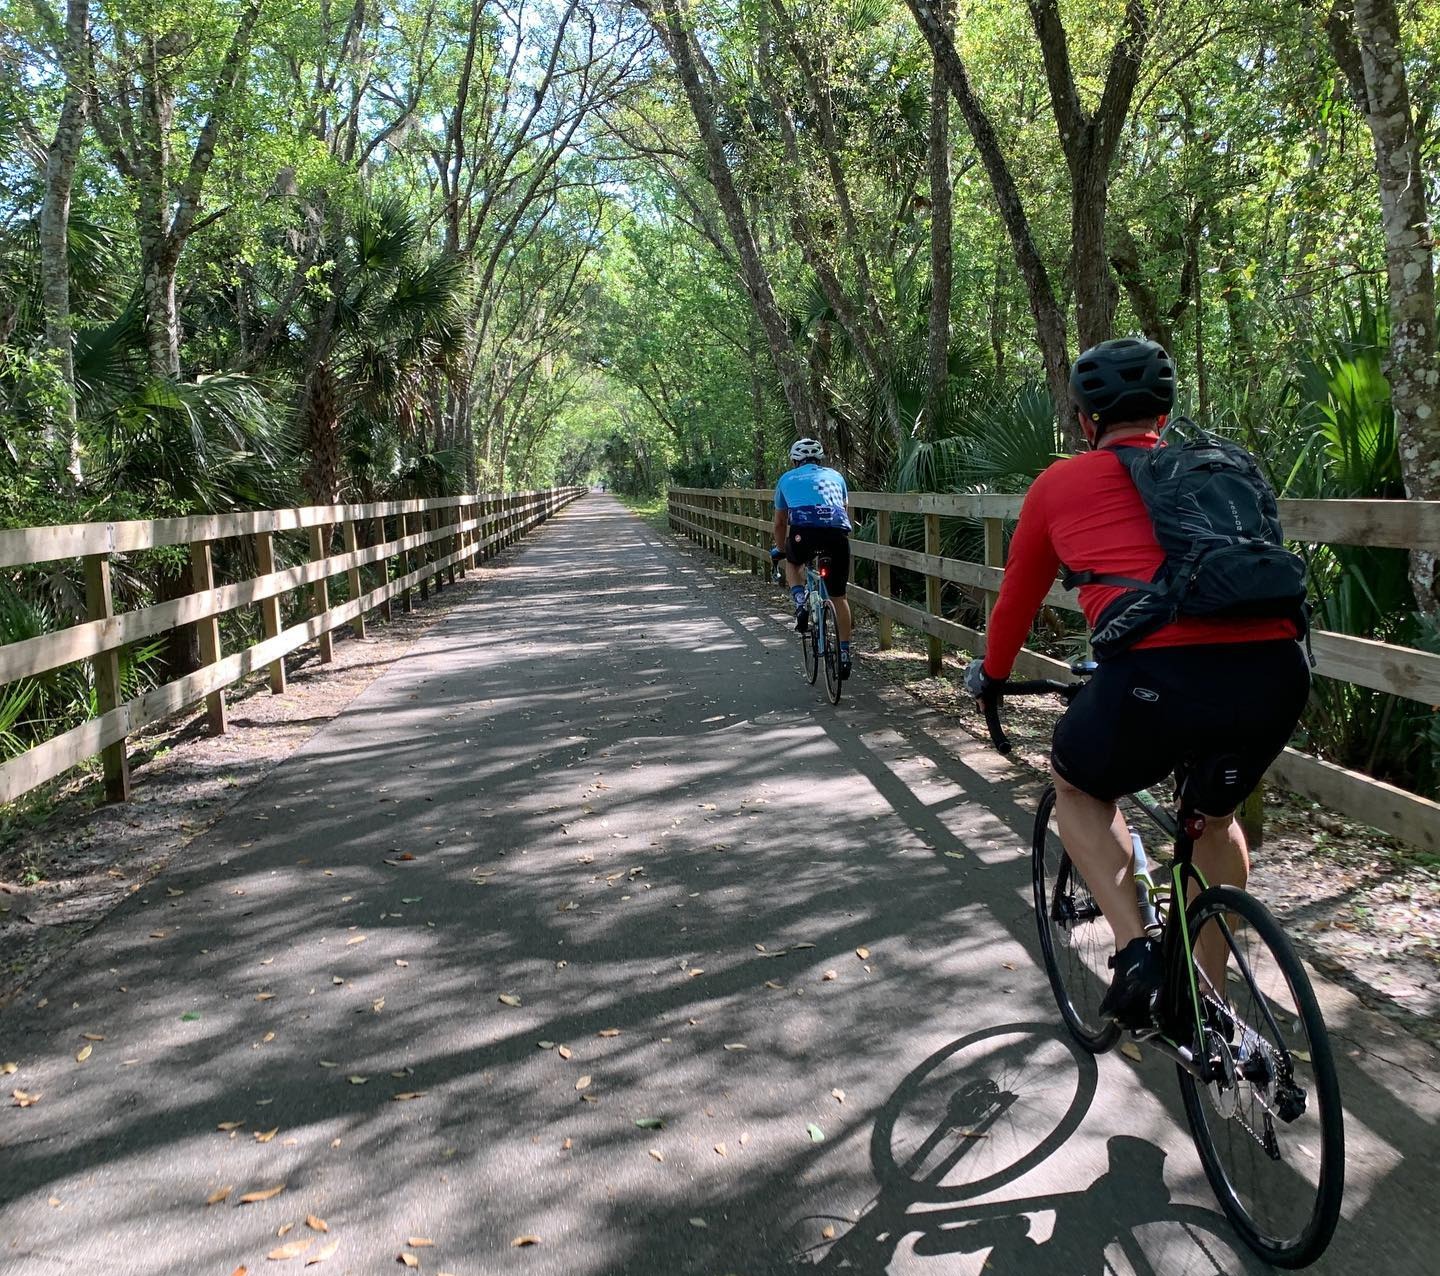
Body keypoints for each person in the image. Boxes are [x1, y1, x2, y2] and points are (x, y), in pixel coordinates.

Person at [963, 338, 1310, 1028]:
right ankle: (1202, 1001)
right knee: (1215, 818)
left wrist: (993, 677)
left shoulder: (1058, 485)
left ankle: (1138, 953)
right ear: (1166, 411)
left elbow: (1016, 603)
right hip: (1277, 671)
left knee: (1077, 783)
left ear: (1085, 421)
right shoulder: (1219, 471)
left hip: (1159, 675)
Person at [772, 438, 855, 679]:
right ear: (820, 460)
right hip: (837, 535)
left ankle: (800, 602)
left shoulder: (787, 479)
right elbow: (843, 510)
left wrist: (781, 548)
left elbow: (779, 522)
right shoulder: (837, 477)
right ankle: (845, 653)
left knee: (794, 563)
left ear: (794, 460)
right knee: (839, 597)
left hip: (803, 535)